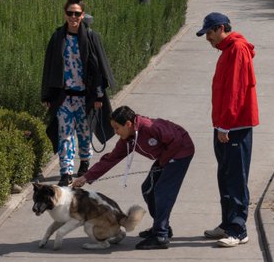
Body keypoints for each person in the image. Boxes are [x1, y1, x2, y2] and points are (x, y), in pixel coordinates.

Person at [74, 105, 195, 250]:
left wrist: (163, 162)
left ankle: (160, 235)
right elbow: (111, 159)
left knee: (162, 192)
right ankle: (162, 226)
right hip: (166, 156)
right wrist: (87, 177)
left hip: (180, 152)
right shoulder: (128, 138)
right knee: (148, 189)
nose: (115, 132)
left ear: (128, 124)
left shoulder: (149, 127)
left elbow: (176, 141)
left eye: (117, 128)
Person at [195, 11, 258, 248]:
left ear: (221, 28)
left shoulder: (237, 50)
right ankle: (227, 223)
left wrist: (226, 125)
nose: (207, 38)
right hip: (224, 126)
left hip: (234, 128)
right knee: (225, 176)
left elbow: (236, 91)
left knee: (236, 178)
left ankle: (238, 229)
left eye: (209, 33)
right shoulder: (226, 51)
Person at [41, 0, 115, 187]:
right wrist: (48, 94)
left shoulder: (91, 37)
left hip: (85, 97)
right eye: (70, 13)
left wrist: (98, 95)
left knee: (84, 132)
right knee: (64, 134)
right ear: (65, 15)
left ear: (82, 15)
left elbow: (99, 68)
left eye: (77, 13)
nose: (73, 17)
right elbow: (49, 67)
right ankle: (65, 171)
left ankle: (84, 162)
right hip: (64, 97)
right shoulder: (58, 37)